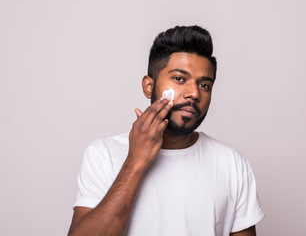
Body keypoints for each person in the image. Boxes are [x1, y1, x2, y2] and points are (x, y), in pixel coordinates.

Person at [68, 25, 264, 236]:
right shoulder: (102, 155)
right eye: (179, 79)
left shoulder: (232, 164)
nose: (194, 93)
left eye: (205, 85)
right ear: (148, 87)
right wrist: (135, 162)